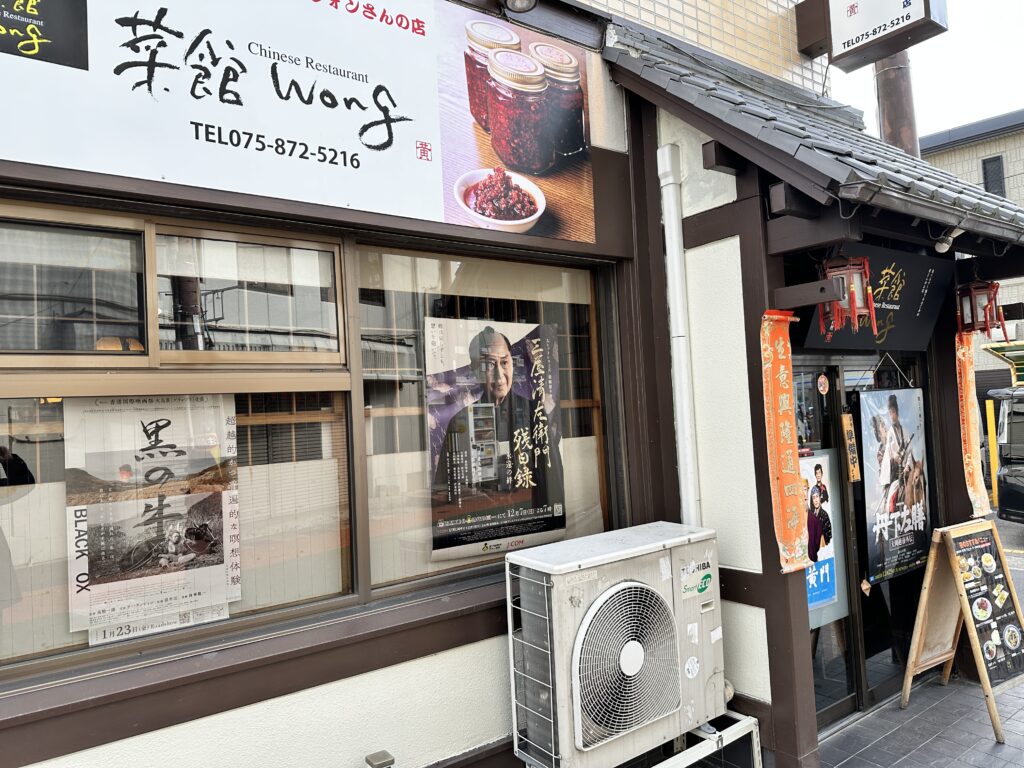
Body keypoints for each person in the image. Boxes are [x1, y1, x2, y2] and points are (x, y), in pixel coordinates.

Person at [432, 326, 564, 513]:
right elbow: (446, 488)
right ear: (475, 370)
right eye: (489, 365)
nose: (500, 376)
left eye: (504, 362)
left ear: (512, 363)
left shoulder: (533, 410)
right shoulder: (459, 419)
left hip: (526, 511)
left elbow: (552, 477)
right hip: (481, 514)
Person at [806, 485, 832, 562]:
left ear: (820, 497)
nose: (816, 500)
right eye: (813, 497)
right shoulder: (811, 515)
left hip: (822, 553)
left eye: (817, 496)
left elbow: (828, 537)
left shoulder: (824, 515)